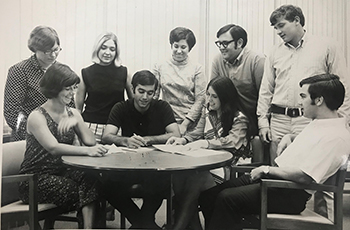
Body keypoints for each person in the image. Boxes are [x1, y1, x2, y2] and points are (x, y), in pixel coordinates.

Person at [199, 74, 350, 230]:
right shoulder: (323, 123)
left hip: (289, 193)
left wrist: (267, 169)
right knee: (208, 196)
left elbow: (304, 176)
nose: (300, 102)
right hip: (276, 181)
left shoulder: (337, 137)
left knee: (226, 199)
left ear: (319, 100)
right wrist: (290, 136)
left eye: (303, 96)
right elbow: (312, 146)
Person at [18, 63, 109, 229]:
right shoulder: (37, 116)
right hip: (34, 179)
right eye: (67, 89)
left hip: (62, 172)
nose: (72, 93)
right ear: (54, 88)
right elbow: (53, 147)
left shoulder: (72, 113)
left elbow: (91, 141)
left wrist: (78, 121)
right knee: (82, 191)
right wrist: (88, 151)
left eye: (73, 88)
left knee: (93, 181)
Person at [257, 4, 350, 163]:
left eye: (281, 25)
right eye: (275, 27)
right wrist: (263, 122)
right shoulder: (274, 51)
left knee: (307, 168)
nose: (278, 31)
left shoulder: (326, 46)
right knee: (277, 171)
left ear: (296, 20)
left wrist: (342, 120)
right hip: (279, 121)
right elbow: (266, 89)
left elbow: (343, 86)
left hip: (310, 119)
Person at [166, 77, 252, 230]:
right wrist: (183, 140)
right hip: (207, 162)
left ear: (225, 97)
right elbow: (198, 132)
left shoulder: (239, 118)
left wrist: (206, 143)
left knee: (196, 178)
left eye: (214, 96)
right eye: (207, 94)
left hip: (230, 168)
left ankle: (178, 227)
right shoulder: (209, 112)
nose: (209, 100)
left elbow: (233, 141)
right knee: (179, 176)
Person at [101, 70, 180, 229]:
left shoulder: (162, 106)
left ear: (155, 92)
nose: (145, 97)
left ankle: (140, 225)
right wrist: (125, 140)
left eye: (150, 93)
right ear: (133, 89)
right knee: (107, 186)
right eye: (141, 92)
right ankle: (146, 225)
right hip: (128, 165)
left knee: (160, 184)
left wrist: (149, 139)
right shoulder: (121, 107)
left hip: (155, 167)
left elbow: (175, 134)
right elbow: (106, 136)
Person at [4, 26, 74, 141]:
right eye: (47, 51)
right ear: (34, 49)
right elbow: (12, 112)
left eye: (56, 49)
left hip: (60, 139)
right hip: (29, 140)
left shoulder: (63, 71)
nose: (53, 55)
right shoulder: (19, 70)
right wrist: (39, 135)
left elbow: (71, 107)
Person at [76, 32, 133, 142]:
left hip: (116, 129)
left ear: (116, 52)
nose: (107, 53)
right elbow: (78, 108)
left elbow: (133, 103)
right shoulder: (85, 73)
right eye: (104, 48)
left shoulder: (124, 72)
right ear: (97, 49)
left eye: (112, 49)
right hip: (90, 127)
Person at [210, 24, 265, 137]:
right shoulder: (217, 60)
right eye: (219, 43)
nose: (221, 47)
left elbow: (264, 97)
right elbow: (213, 92)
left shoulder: (257, 61)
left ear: (239, 43)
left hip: (253, 119)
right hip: (226, 118)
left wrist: (262, 125)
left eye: (225, 43)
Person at [153, 27, 206, 135]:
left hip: (190, 124)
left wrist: (185, 125)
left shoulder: (197, 68)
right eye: (176, 46)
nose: (179, 51)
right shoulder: (159, 66)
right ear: (171, 45)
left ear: (189, 48)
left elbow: (200, 100)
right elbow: (154, 96)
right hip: (165, 121)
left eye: (183, 47)